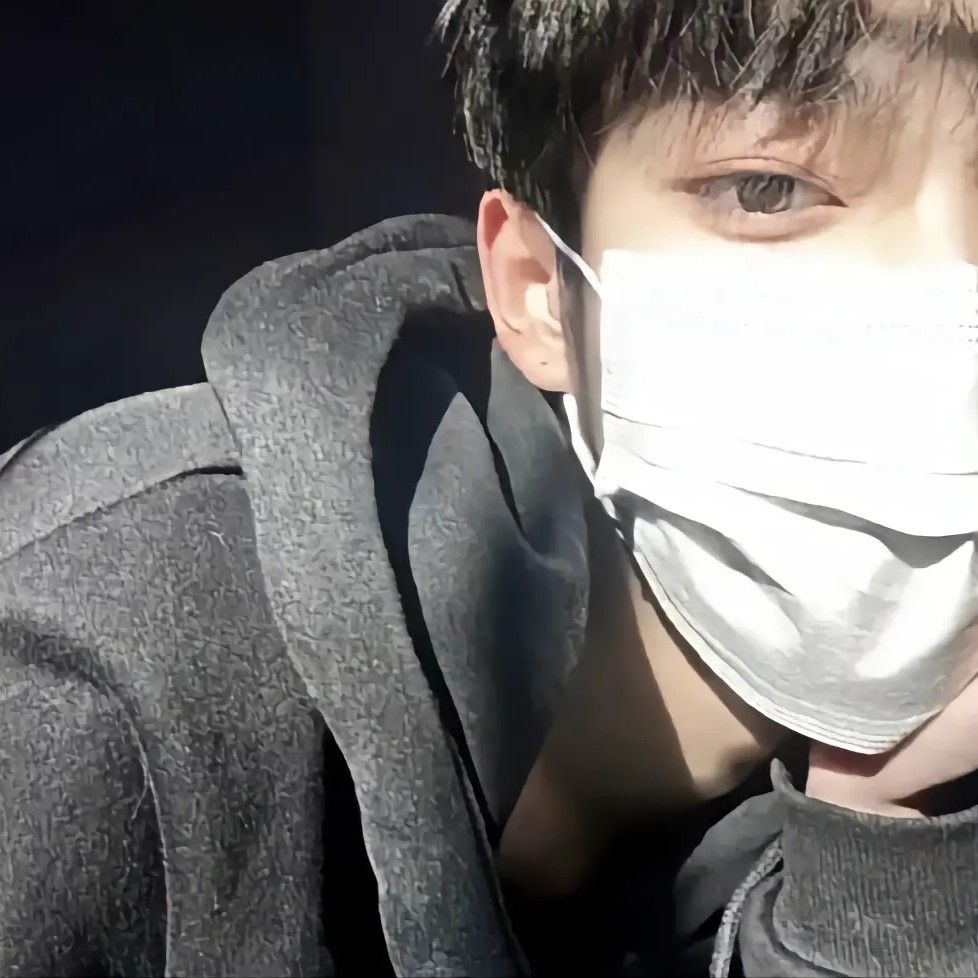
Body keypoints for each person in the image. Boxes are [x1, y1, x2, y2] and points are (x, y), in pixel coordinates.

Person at [2, 0, 978, 975]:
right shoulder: (95, 671)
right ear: (540, 289)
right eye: (766, 189)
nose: (948, 300)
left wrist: (882, 883)